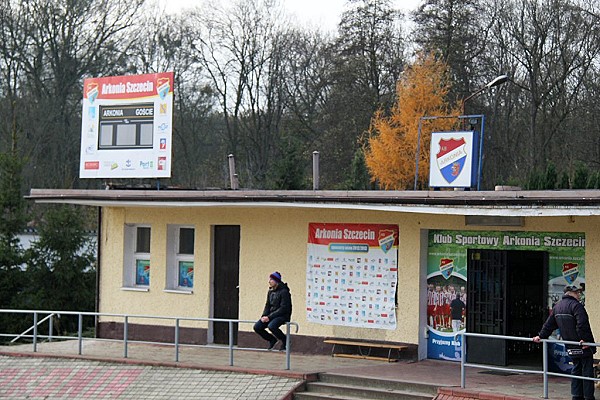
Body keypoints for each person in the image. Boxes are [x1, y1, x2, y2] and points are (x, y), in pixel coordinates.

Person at [533, 285, 596, 400]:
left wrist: (541, 336)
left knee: (576, 368)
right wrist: (586, 340)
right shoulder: (577, 306)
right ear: (571, 293)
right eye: (577, 293)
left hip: (570, 345)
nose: (579, 295)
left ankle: (576, 396)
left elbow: (549, 325)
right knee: (587, 371)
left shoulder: (558, 307)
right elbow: (582, 324)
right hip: (582, 345)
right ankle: (588, 397)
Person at [253, 271, 292, 351]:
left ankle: (285, 340)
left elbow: (284, 308)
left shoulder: (284, 292)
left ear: (276, 281)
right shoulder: (270, 291)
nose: (269, 281)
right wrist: (264, 316)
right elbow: (267, 305)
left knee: (272, 326)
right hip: (271, 315)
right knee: (257, 327)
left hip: (282, 315)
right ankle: (272, 340)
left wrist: (269, 317)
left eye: (271, 279)